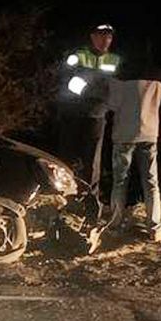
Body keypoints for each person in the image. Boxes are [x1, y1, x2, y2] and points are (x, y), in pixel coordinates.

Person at [57, 24, 122, 210]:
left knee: (92, 161)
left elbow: (114, 88)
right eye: (101, 35)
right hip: (73, 113)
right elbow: (67, 82)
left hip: (97, 116)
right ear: (92, 36)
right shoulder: (78, 55)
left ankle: (91, 202)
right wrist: (95, 87)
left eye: (109, 37)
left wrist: (89, 84)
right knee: (66, 157)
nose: (105, 40)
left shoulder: (115, 60)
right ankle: (62, 197)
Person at [103, 58, 161, 242]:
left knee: (120, 181)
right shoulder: (158, 77)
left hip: (124, 135)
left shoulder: (120, 76)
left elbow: (112, 105)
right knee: (151, 182)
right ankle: (155, 227)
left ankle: (115, 223)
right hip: (149, 132)